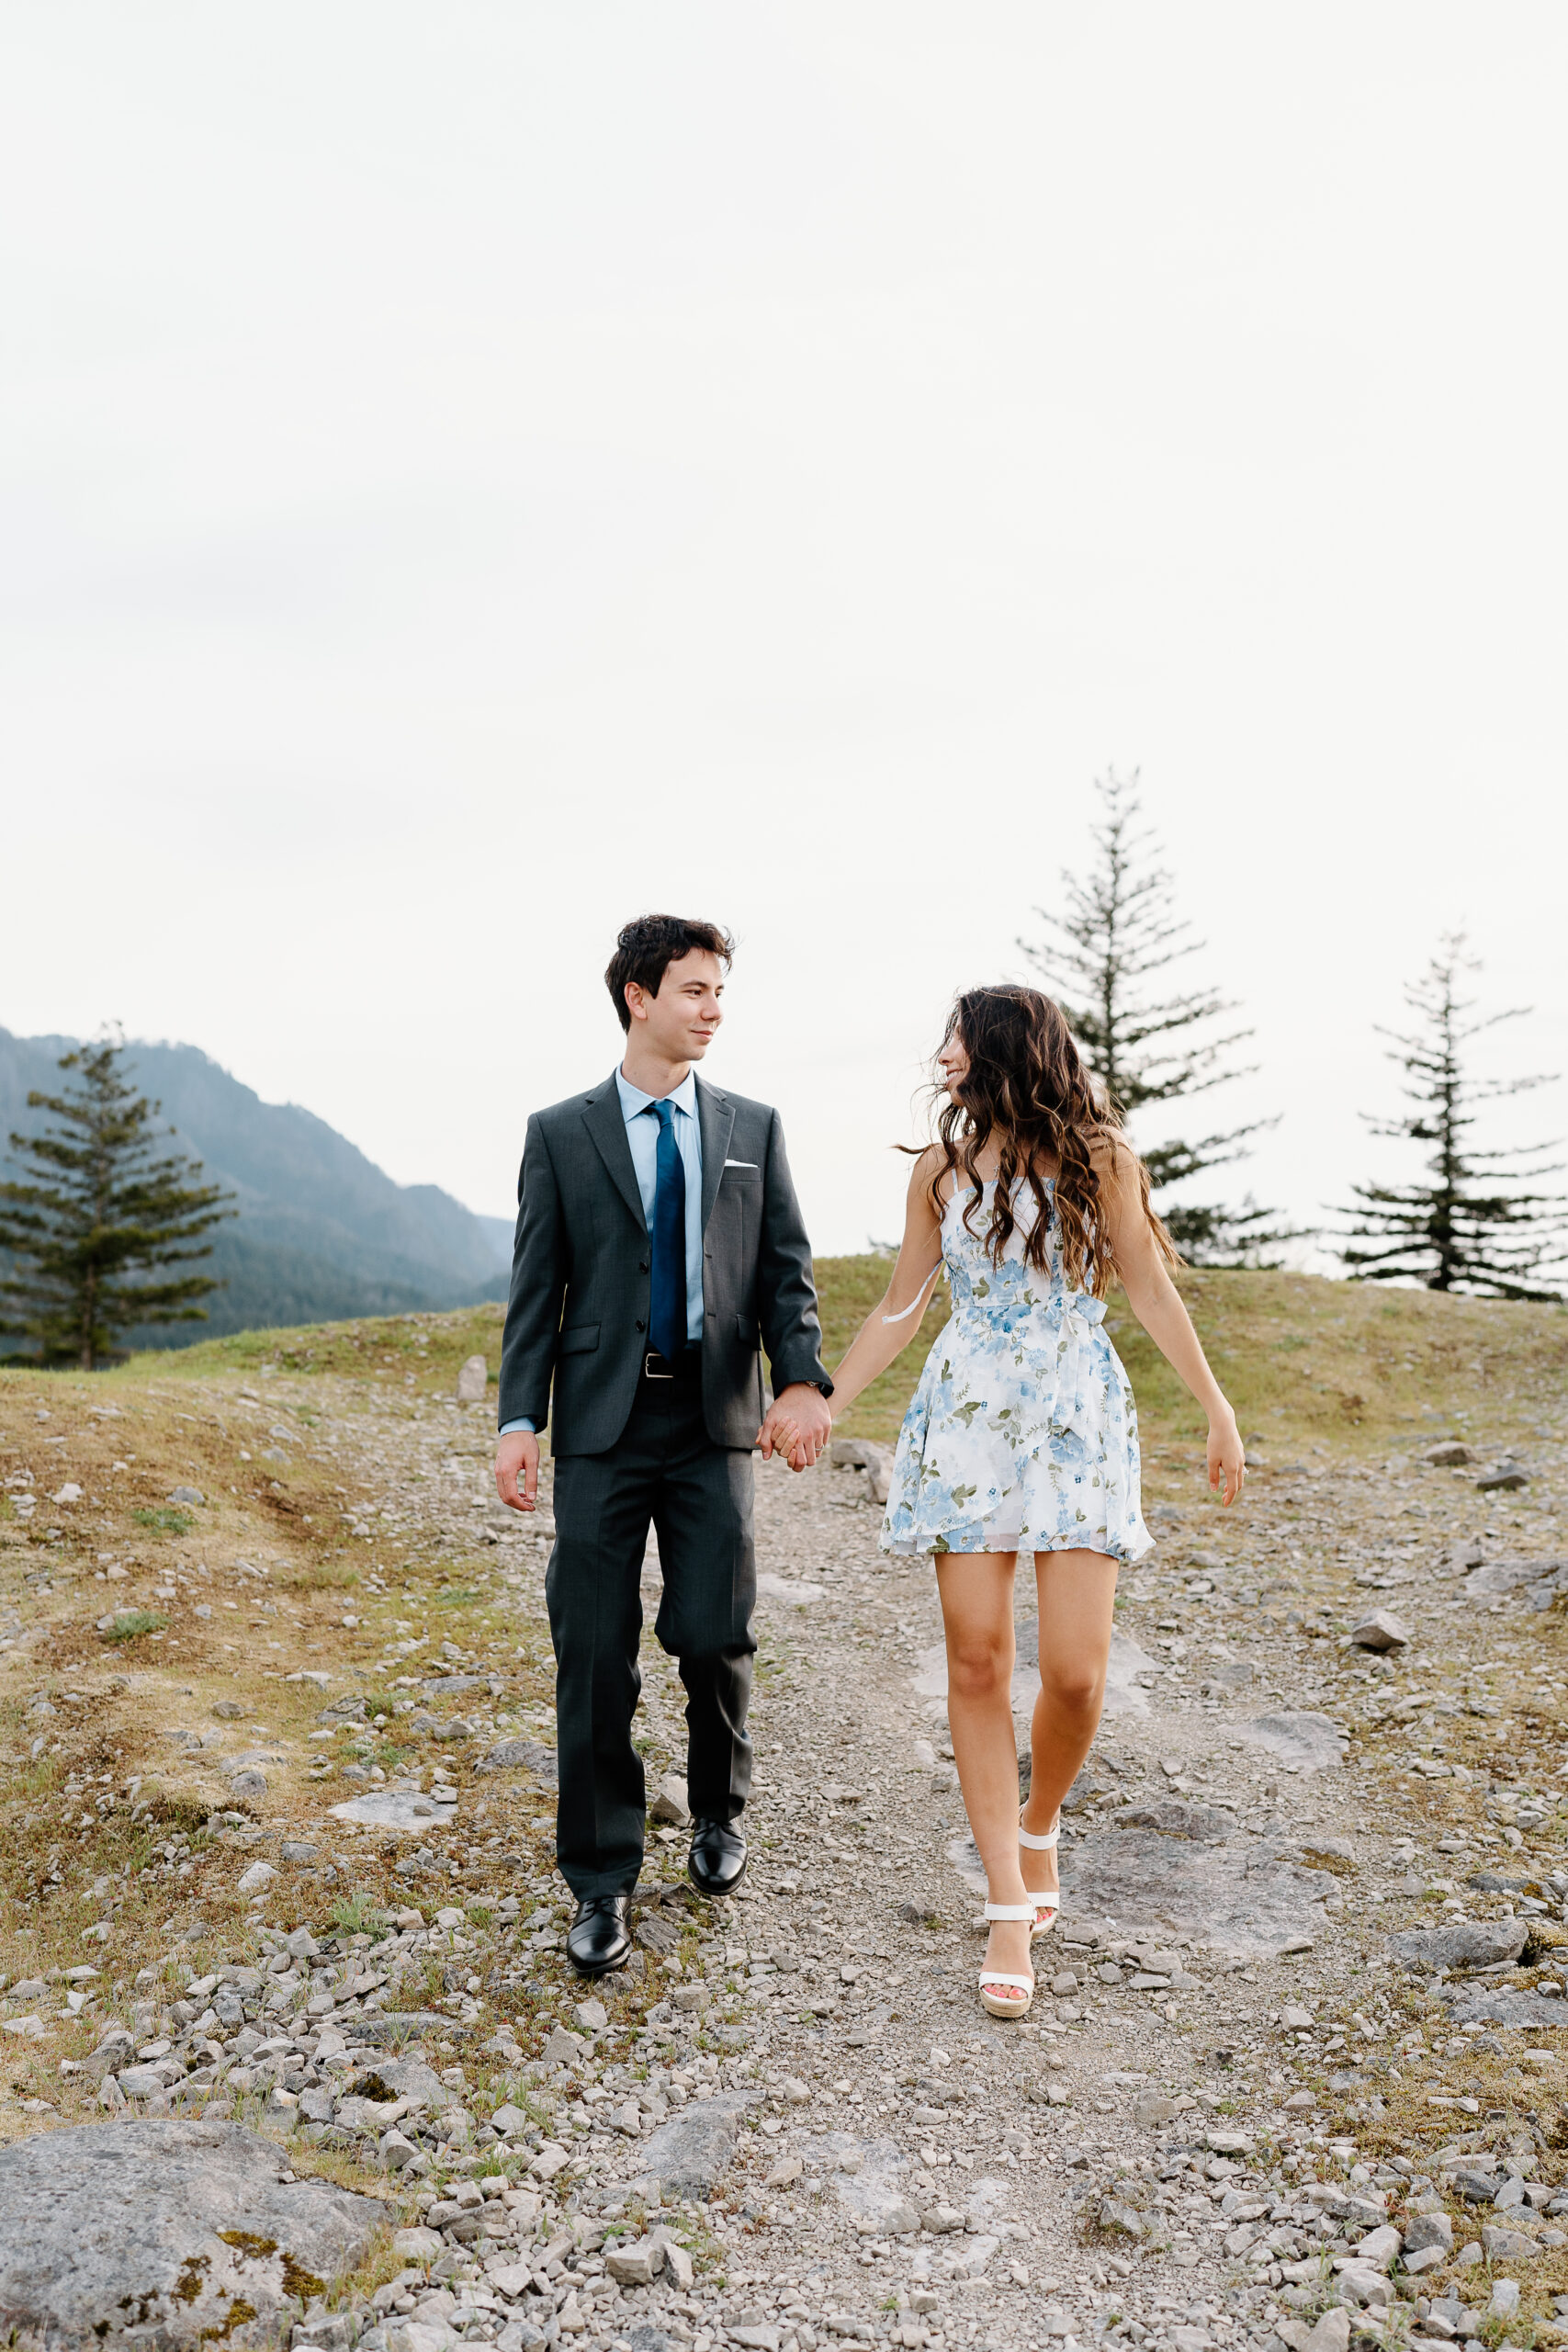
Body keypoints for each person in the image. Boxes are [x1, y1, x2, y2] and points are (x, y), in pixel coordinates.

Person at [817, 985, 1244, 2019]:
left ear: (1005, 1045)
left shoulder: (1103, 1159)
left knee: (1077, 1673)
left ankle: (1039, 1820)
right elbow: (904, 1302)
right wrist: (825, 1403)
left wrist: (1218, 1410)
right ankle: (1008, 1896)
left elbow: (1148, 1289)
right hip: (967, 1412)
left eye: (959, 1036)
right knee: (975, 1658)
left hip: (1076, 1412)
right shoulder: (941, 1170)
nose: (945, 1054)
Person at [492, 914, 834, 1977]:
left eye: (718, 990)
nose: (713, 1008)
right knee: (592, 1654)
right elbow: (534, 1288)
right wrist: (518, 1420)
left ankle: (719, 1814)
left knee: (711, 1633)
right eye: (694, 989)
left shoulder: (752, 1126)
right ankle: (601, 1879)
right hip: (600, 1424)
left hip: (713, 1422)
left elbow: (786, 1271)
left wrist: (806, 1379)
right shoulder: (559, 1132)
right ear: (638, 996)